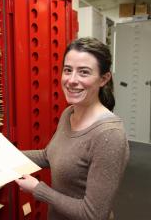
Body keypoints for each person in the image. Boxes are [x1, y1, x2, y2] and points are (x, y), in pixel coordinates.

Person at [15, 37, 130, 220]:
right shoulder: (69, 114)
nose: (71, 80)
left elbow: (93, 214)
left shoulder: (109, 135)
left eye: (84, 72)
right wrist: (3, 155)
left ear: (104, 79)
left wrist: (38, 189)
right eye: (68, 70)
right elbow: (49, 155)